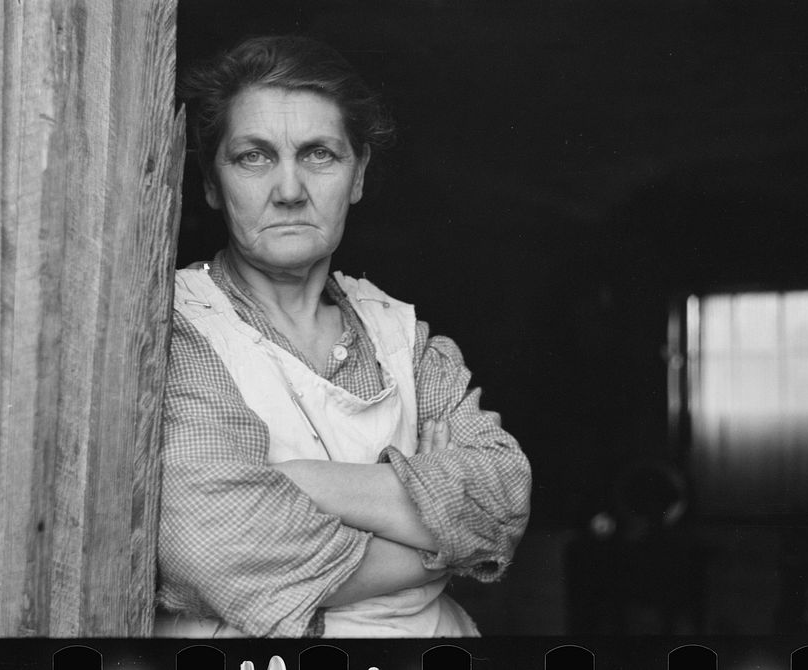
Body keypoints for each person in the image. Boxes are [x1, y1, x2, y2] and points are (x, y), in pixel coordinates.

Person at [154, 35, 532, 638]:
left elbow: (502, 498)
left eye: (319, 155)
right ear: (209, 183)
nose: (288, 189)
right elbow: (215, 543)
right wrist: (434, 534)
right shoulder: (180, 329)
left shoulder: (401, 337)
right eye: (253, 156)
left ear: (358, 175)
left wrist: (298, 482)